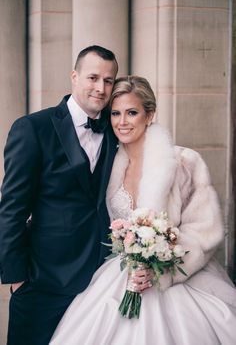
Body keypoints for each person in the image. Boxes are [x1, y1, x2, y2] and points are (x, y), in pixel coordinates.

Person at [50, 75, 236, 345]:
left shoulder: (183, 161)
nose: (122, 122)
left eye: (132, 112)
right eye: (115, 113)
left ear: (149, 115)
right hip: (118, 276)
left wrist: (162, 269)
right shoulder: (107, 165)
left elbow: (203, 231)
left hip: (177, 279)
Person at [0, 45, 119, 345]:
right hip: (43, 279)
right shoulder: (33, 128)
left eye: (108, 81)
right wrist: (16, 278)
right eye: (93, 77)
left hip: (99, 279)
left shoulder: (117, 131)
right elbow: (11, 209)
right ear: (74, 77)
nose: (101, 88)